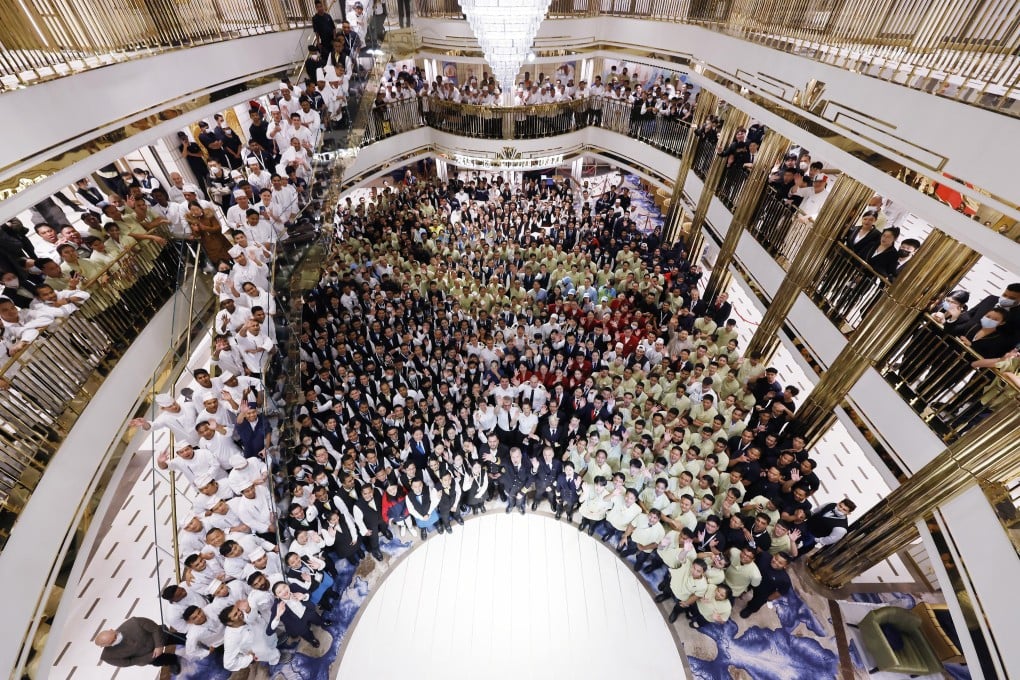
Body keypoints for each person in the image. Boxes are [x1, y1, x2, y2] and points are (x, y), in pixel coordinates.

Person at [94, 617, 182, 674]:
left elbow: (155, 629)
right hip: (146, 656)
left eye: (115, 636)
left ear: (111, 630)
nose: (116, 639)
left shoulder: (134, 622)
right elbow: (129, 662)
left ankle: (190, 640)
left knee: (178, 638)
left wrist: (159, 645)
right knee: (159, 661)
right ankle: (173, 660)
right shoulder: (108, 657)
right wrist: (151, 656)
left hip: (157, 638)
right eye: (112, 642)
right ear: (105, 646)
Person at [738, 551, 793, 617]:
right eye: (775, 558)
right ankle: (742, 592)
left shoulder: (785, 580)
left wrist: (768, 598)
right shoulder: (763, 556)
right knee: (744, 587)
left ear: (785, 566)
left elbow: (779, 592)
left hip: (763, 592)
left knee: (756, 603)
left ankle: (749, 609)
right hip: (751, 580)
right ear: (773, 555)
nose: (776, 562)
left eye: (780, 563)